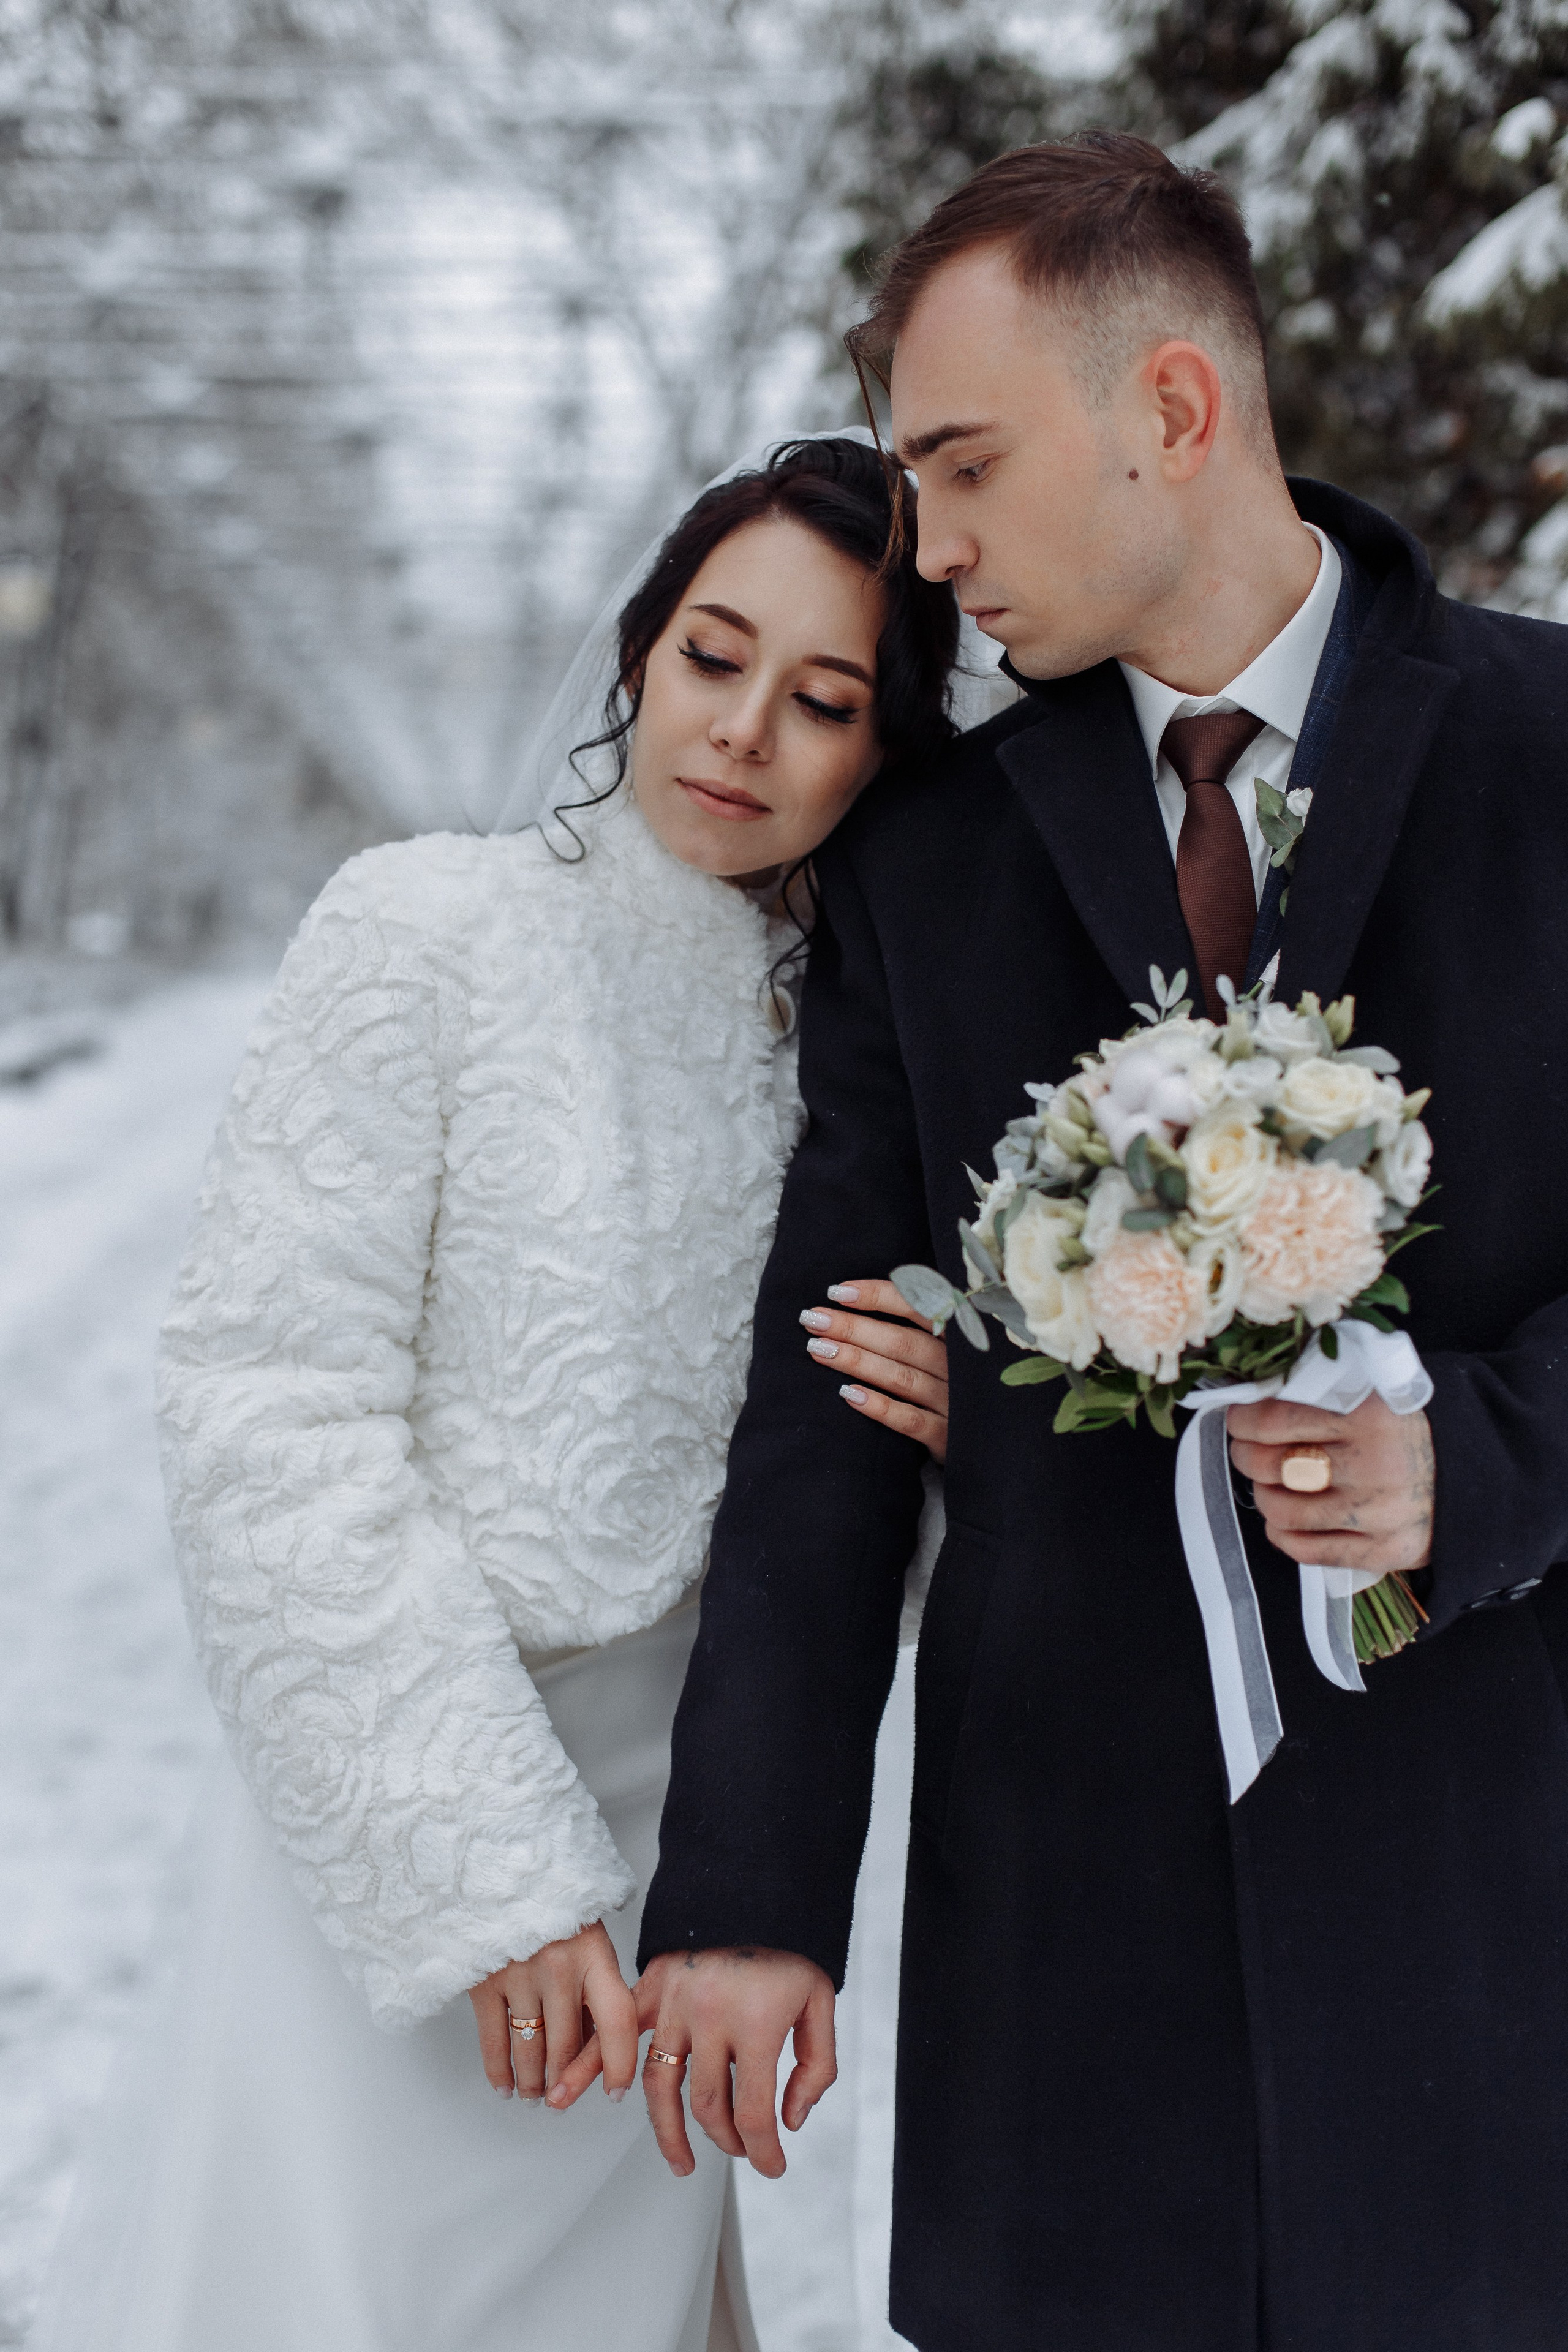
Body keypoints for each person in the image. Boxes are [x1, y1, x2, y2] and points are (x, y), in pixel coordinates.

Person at [631, 135, 1568, 2351]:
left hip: (1498, 1930)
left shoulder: (1559, 756)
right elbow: (830, 1394)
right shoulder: (925, 864)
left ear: (1171, 405)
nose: (928, 552)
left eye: (964, 466)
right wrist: (756, 1892)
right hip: (1067, 1958)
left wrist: (1483, 1464)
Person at [29, 432, 960, 2352]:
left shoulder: (885, 1055)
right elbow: (265, 1408)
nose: (745, 733)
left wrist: (968, 1430)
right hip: (403, 1807)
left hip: (686, 1851)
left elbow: (844, 1483)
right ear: (637, 647)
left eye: (826, 699)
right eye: (714, 657)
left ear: (886, 748)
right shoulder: (419, 933)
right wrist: (479, 1883)